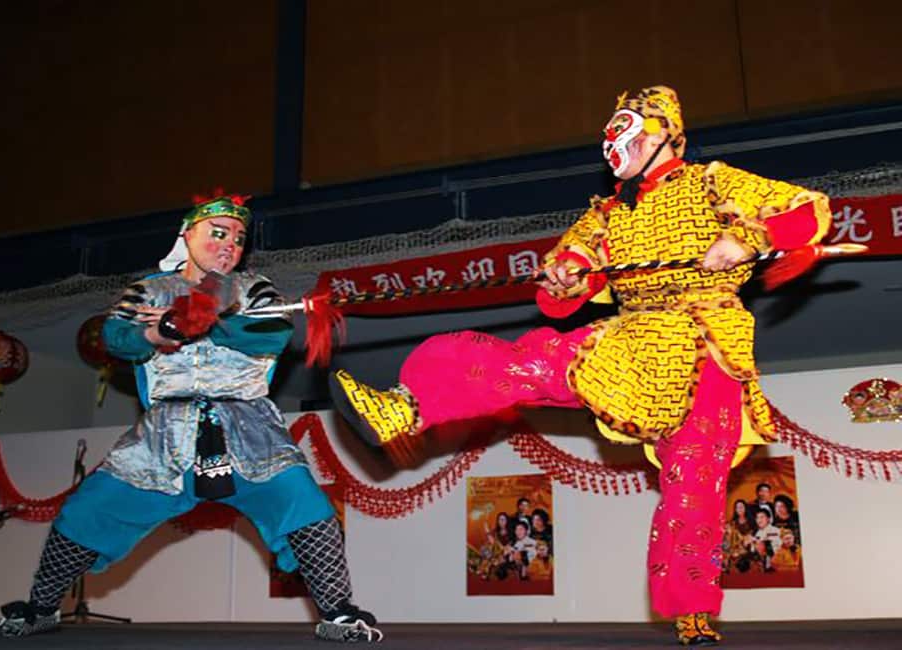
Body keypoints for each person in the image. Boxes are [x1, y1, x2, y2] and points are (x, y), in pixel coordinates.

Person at [330, 85, 831, 645]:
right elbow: (562, 292)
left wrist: (749, 237)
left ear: (666, 132)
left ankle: (692, 612)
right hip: (634, 340)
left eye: (633, 130)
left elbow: (809, 209)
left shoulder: (713, 182)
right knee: (532, 361)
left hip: (708, 347)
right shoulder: (609, 213)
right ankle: (405, 408)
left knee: (695, 485)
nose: (621, 144)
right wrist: (567, 272)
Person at [0, 195, 381, 643]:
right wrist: (160, 330)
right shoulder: (149, 290)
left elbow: (273, 332)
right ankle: (40, 608)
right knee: (88, 510)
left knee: (304, 505)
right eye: (219, 233)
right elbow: (116, 336)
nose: (230, 243)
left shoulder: (253, 288)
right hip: (163, 434)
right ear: (187, 235)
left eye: (238, 237)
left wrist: (207, 322)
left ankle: (339, 612)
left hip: (248, 428)